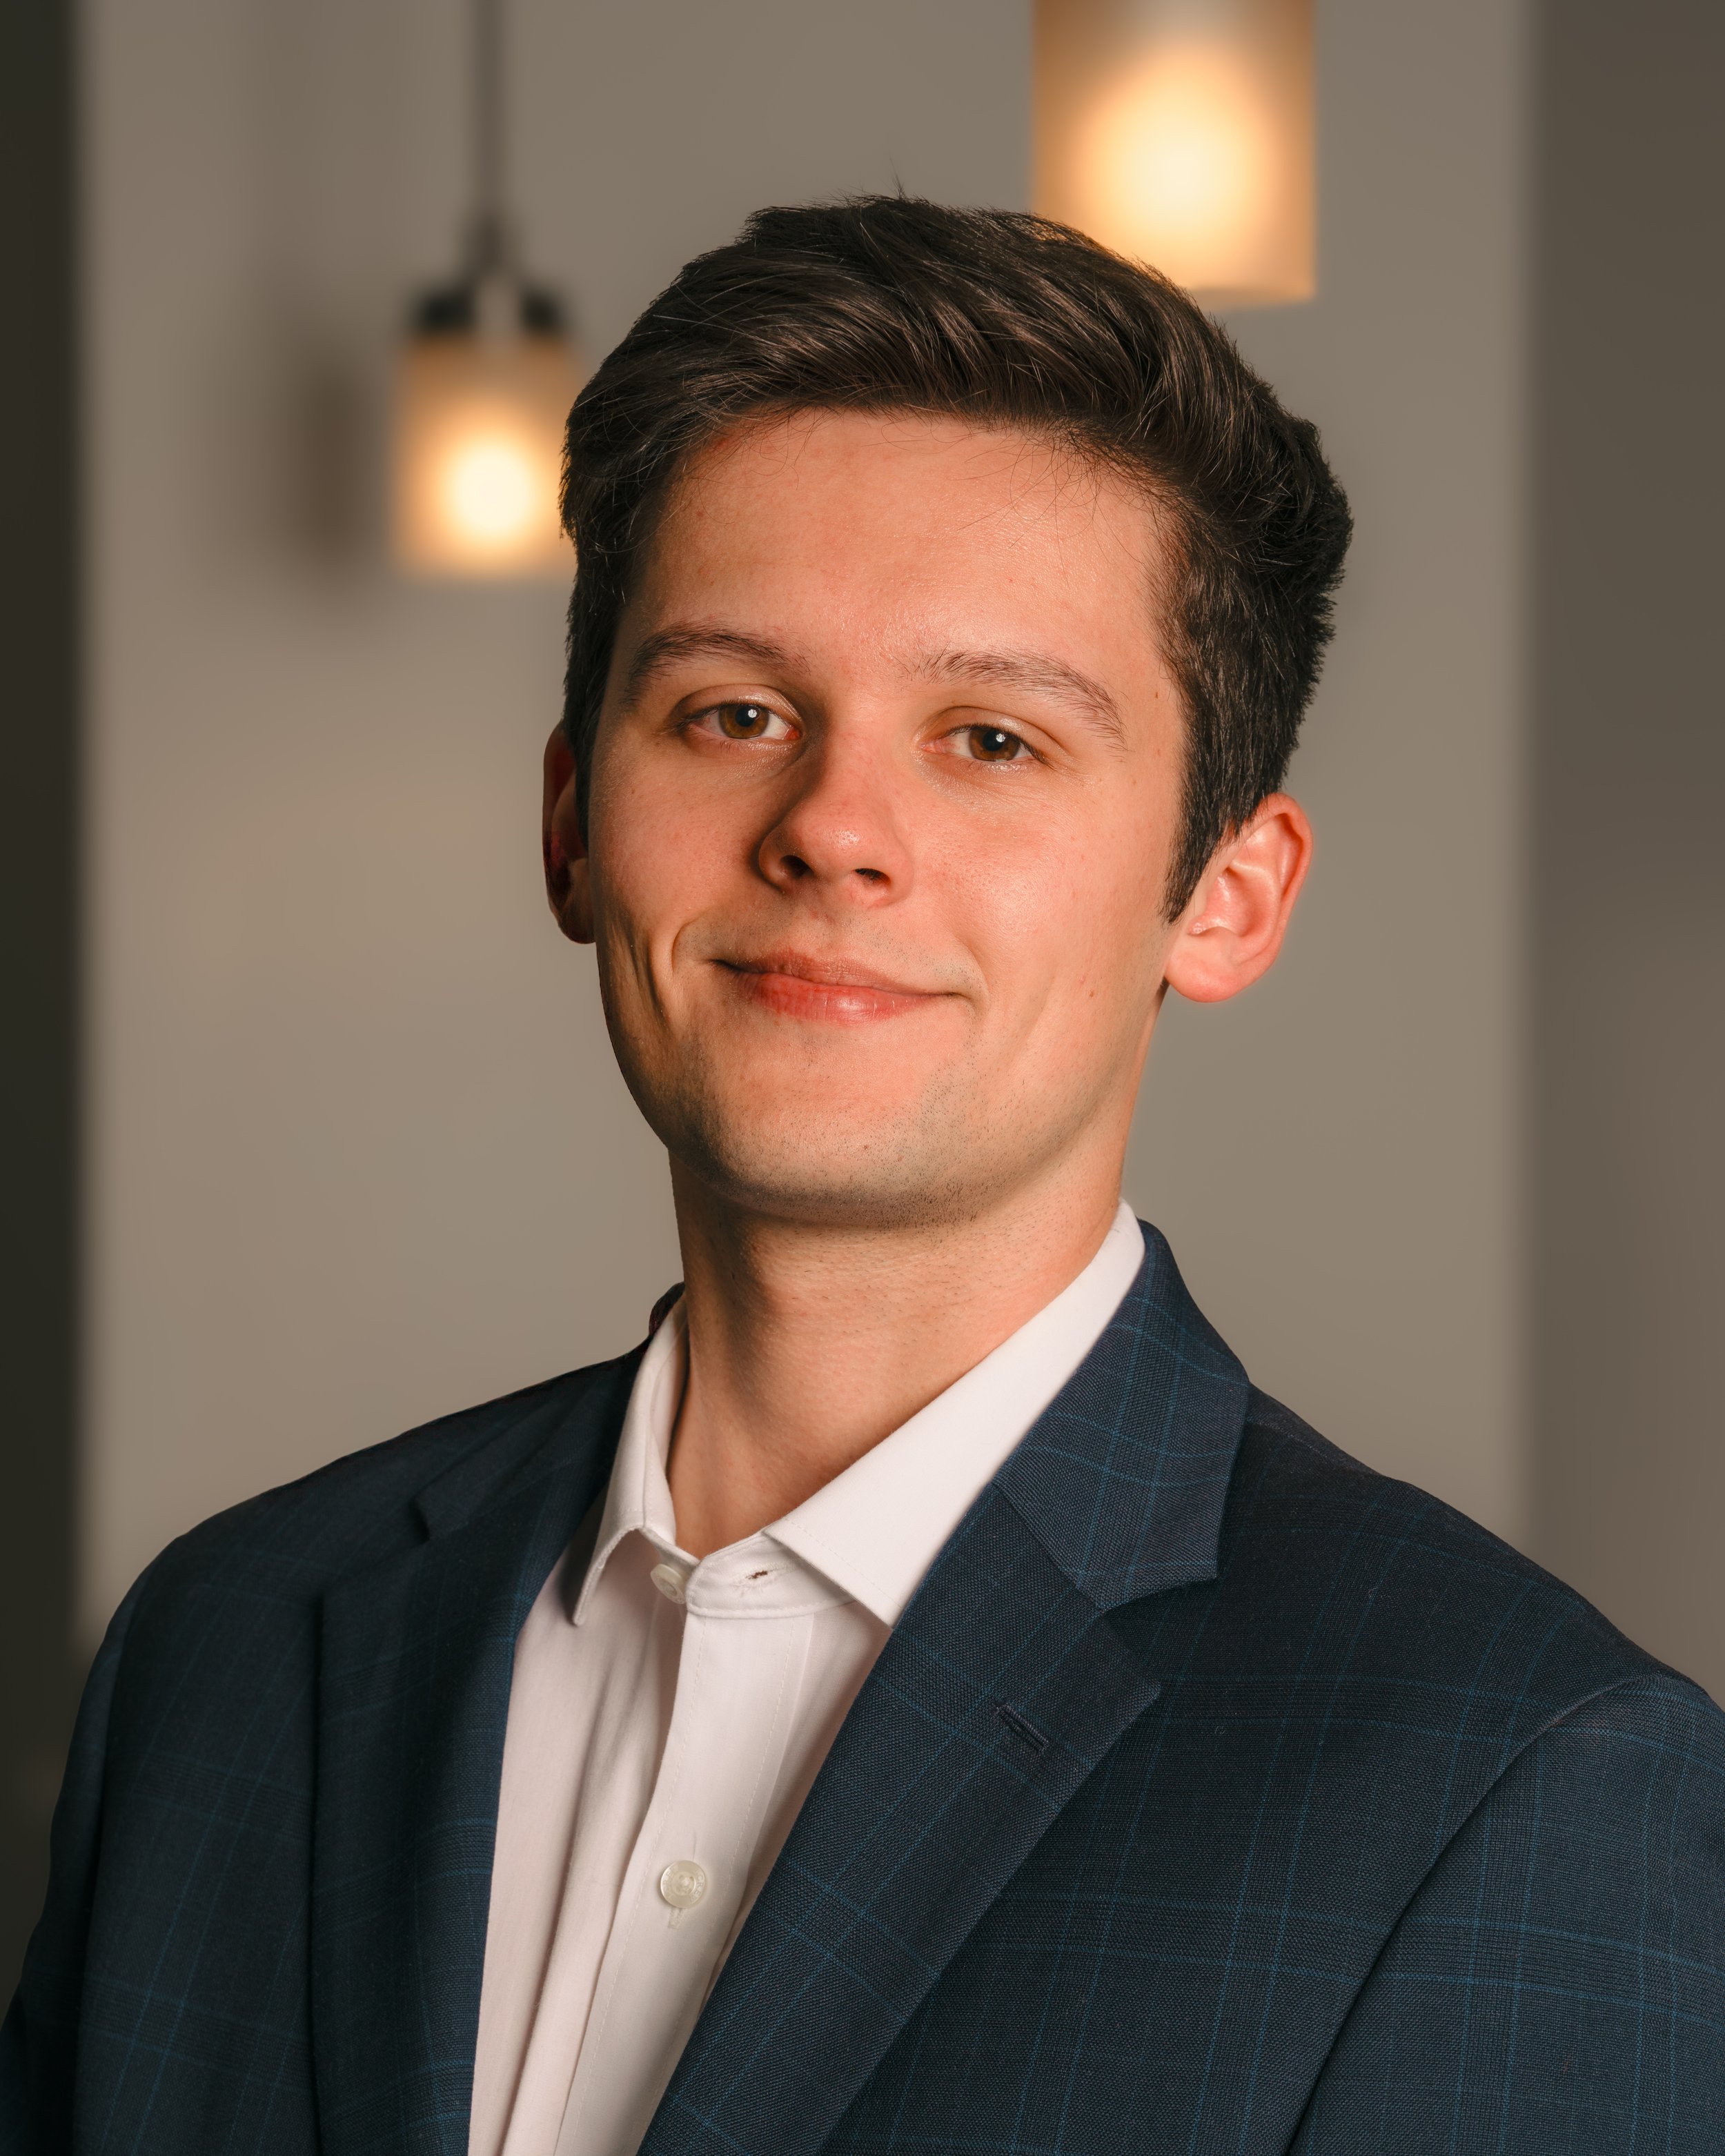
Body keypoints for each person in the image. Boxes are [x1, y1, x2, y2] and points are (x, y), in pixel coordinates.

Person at [5, 197, 1721, 2156]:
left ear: (1225, 898)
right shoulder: (227, 1647)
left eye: (989, 739)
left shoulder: (1509, 1782)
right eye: (733, 713)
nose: (831, 826)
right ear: (573, 819)